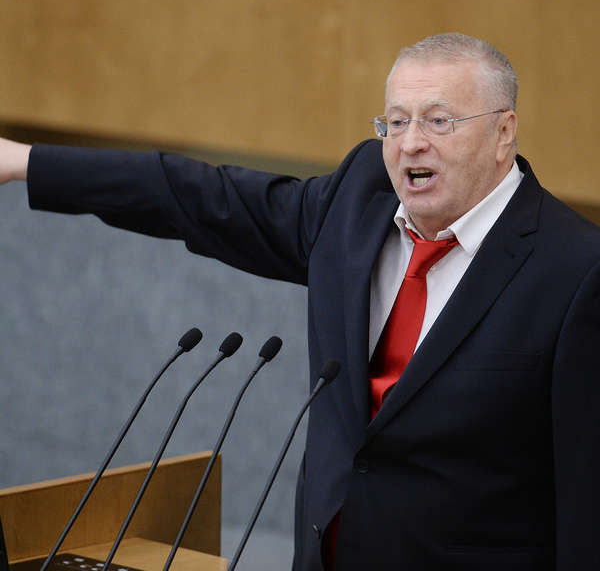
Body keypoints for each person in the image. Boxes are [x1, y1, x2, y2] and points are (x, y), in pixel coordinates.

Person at [1, 33, 599, 570]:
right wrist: (25, 162)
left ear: (503, 131)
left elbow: (587, 500)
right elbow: (200, 197)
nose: (411, 144)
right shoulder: (358, 198)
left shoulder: (577, 271)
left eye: (439, 121)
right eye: (395, 122)